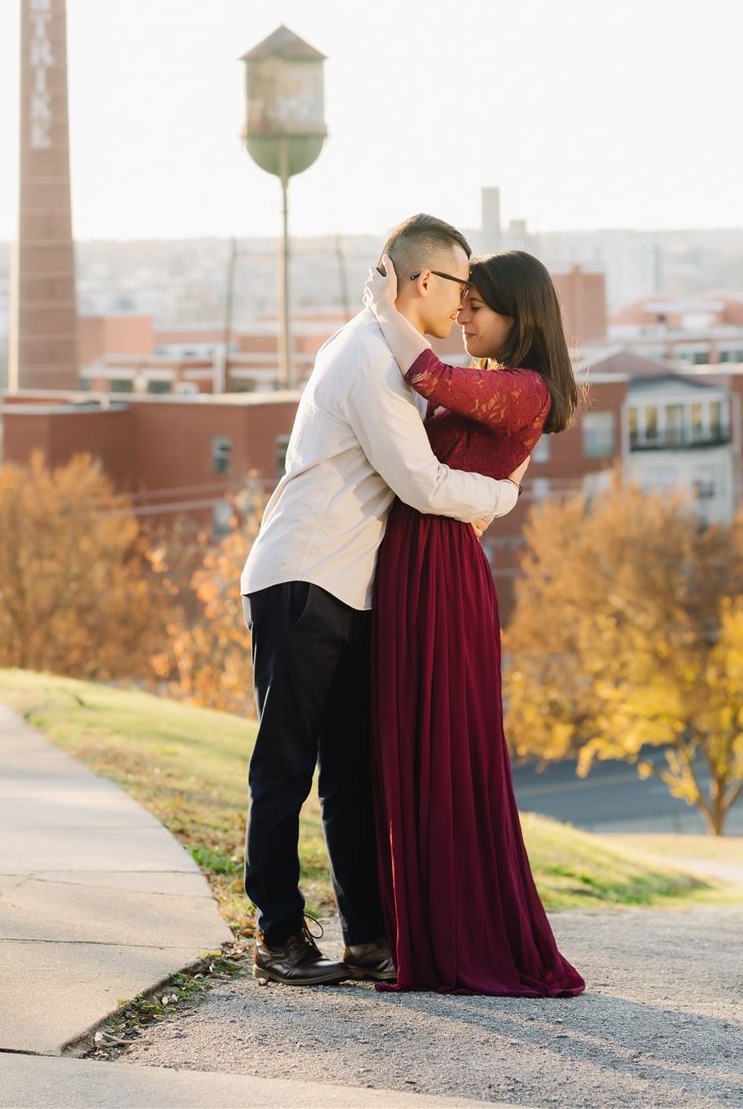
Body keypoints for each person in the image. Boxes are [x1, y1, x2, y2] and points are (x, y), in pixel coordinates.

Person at [239, 213, 530, 987]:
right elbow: (421, 484)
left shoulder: (382, 347)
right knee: (285, 767)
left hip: (348, 586)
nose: (465, 305)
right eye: (461, 286)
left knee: (351, 775)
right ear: (426, 281)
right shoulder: (369, 358)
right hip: (302, 579)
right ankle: (276, 934)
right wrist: (501, 494)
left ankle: (367, 937)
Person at [363, 247, 586, 998]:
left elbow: (425, 376)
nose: (461, 316)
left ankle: (458, 937)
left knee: (445, 748)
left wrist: (384, 305)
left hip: (442, 573)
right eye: (461, 303)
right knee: (411, 745)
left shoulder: (522, 389)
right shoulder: (494, 385)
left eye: (476, 308)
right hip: (412, 562)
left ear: (519, 319)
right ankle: (420, 932)